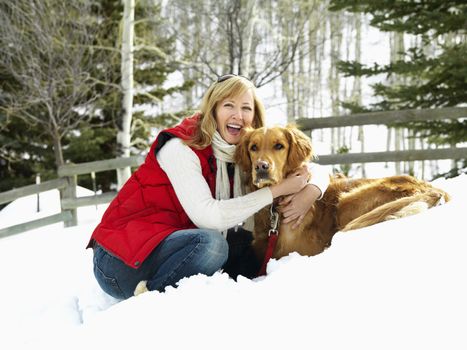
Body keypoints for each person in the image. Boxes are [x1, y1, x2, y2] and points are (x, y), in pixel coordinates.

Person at [87, 74, 330, 300]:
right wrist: (277, 190)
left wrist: (312, 189)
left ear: (254, 117)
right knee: (212, 245)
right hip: (119, 263)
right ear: (212, 110)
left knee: (245, 252)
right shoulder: (181, 146)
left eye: (246, 108)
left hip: (172, 246)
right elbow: (209, 216)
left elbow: (305, 165)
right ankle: (150, 301)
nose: (238, 114)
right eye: (228, 105)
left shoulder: (245, 150)